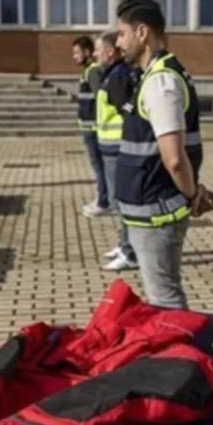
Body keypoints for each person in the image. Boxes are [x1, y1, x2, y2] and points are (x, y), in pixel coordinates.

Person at [115, 0, 213, 309]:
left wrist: (193, 194)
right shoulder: (154, 75)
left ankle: (182, 342)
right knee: (162, 298)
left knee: (165, 301)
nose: (118, 43)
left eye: (122, 34)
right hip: (149, 209)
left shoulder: (161, 82)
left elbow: (173, 158)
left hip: (156, 213)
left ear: (142, 32)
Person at [94, 31, 138, 271]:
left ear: (110, 52)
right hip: (111, 147)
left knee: (120, 202)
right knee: (117, 201)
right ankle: (124, 244)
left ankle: (129, 252)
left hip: (118, 147)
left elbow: (127, 111)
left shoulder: (118, 76)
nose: (94, 54)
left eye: (98, 49)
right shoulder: (112, 74)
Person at [72, 36, 110, 217]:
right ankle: (102, 198)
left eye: (77, 52)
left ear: (87, 52)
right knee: (98, 165)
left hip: (93, 129)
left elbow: (101, 97)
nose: (74, 56)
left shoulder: (93, 71)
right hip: (89, 127)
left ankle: (103, 202)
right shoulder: (89, 70)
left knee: (99, 165)